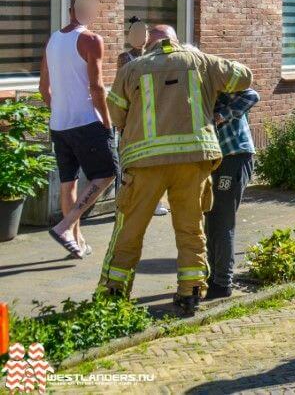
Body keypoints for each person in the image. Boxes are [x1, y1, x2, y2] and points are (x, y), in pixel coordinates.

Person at [99, 25, 253, 315]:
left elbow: (115, 113)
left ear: (149, 44)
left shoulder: (134, 69)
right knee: (190, 229)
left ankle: (113, 295)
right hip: (192, 162)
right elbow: (244, 77)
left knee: (129, 230)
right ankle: (190, 294)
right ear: (176, 41)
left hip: (144, 164)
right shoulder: (202, 62)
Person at [40, 0, 119, 259]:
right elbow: (97, 87)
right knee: (108, 173)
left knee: (68, 182)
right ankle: (65, 227)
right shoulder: (91, 39)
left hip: (59, 124)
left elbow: (44, 88)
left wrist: (59, 111)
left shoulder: (53, 40)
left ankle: (76, 241)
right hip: (86, 121)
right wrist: (107, 122)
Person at [205, 87, 260, 299]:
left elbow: (252, 95)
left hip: (235, 156)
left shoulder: (220, 83)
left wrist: (222, 115)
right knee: (210, 217)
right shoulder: (196, 89)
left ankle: (222, 282)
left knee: (222, 219)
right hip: (216, 160)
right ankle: (213, 276)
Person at [118, 18, 169, 218]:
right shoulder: (125, 58)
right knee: (132, 162)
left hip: (154, 116)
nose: (141, 36)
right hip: (133, 116)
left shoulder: (155, 56)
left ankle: (154, 201)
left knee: (154, 161)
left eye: (144, 33)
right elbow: (123, 85)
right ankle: (126, 201)